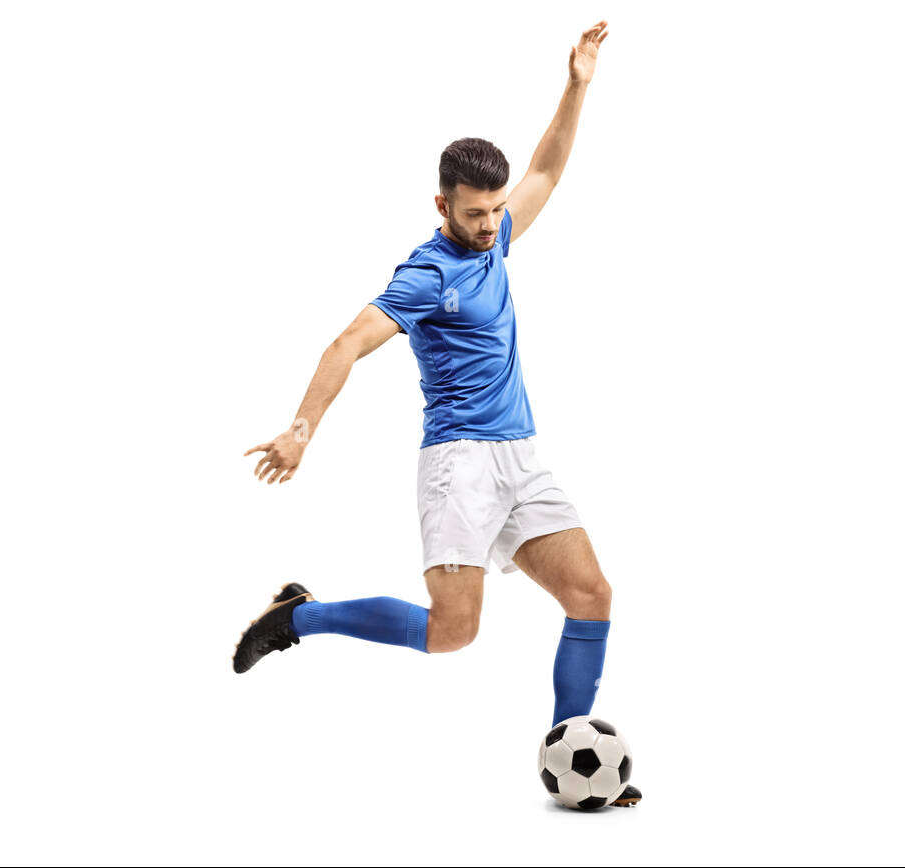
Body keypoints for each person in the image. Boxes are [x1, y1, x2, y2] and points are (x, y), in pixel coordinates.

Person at [235, 21, 639, 808]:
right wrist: (301, 431)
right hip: (457, 463)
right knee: (453, 632)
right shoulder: (425, 274)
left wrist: (578, 83)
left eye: (495, 211)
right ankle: (302, 617)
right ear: (442, 205)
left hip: (520, 456)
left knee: (591, 595)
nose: (490, 226)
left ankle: (568, 758)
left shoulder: (497, 238)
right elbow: (349, 342)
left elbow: (548, 169)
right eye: (476, 214)